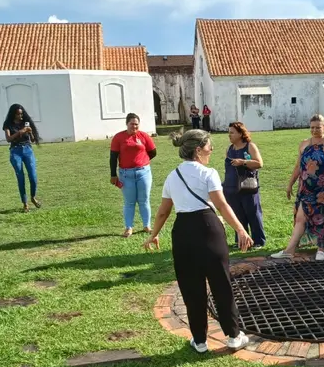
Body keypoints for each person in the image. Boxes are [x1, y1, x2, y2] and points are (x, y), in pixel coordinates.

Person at [143, 129, 252, 353]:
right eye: (209, 146)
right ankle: (233, 336)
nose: (212, 150)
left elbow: (163, 211)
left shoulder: (172, 176)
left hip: (183, 232)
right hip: (209, 229)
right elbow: (221, 205)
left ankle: (200, 341)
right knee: (221, 284)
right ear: (198, 150)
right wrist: (240, 230)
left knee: (191, 288)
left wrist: (153, 235)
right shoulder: (208, 173)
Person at [271, 114, 324, 262]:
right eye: (312, 127)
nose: (315, 130)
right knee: (300, 218)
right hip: (306, 189)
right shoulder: (304, 144)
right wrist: (290, 184)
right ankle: (289, 250)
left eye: (318, 127)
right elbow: (298, 166)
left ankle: (321, 249)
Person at [110, 113, 157, 238]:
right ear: (127, 124)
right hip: (126, 174)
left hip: (143, 173)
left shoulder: (144, 136)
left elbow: (153, 152)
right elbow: (113, 157)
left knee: (144, 200)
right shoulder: (119, 137)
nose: (134, 126)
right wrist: (113, 174)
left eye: (136, 124)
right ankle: (128, 227)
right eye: (132, 124)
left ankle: (147, 225)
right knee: (129, 202)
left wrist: (143, 160)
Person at [223, 122, 266, 249]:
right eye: (229, 132)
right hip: (232, 188)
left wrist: (243, 162)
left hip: (248, 187)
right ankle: (241, 241)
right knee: (238, 215)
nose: (229, 135)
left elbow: (259, 163)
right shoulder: (229, 149)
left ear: (241, 133)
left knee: (253, 214)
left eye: (232, 132)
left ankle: (258, 241)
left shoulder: (250, 146)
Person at [2, 103, 41, 212]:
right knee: (21, 177)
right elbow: (8, 139)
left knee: (33, 176)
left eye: (21, 114)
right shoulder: (8, 124)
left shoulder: (25, 122)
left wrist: (30, 132)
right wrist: (20, 132)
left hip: (28, 150)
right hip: (16, 151)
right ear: (13, 114)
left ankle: (33, 197)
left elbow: (32, 140)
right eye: (18, 114)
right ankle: (25, 203)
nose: (20, 116)